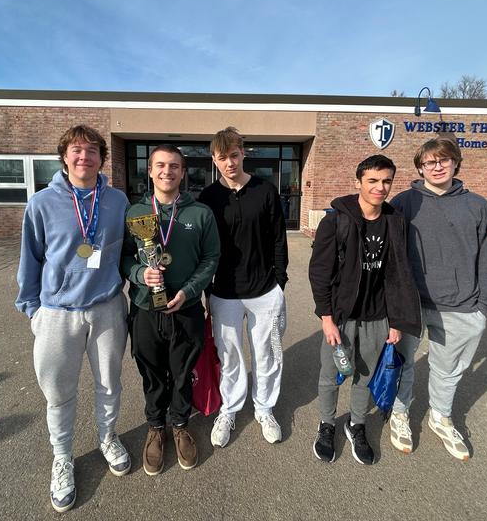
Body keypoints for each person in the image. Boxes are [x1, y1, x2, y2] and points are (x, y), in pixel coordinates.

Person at [16, 125, 131, 513]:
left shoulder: (117, 201)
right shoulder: (42, 203)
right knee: (59, 393)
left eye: (93, 151)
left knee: (109, 384)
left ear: (102, 157)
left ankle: (107, 437)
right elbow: (30, 258)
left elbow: (130, 251)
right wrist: (32, 310)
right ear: (64, 156)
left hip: (107, 308)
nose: (85, 157)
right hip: (57, 313)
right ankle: (62, 457)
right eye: (77, 150)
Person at [389, 138, 487, 461]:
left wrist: (484, 306)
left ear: (456, 163)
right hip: (412, 303)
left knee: (448, 369)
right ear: (420, 167)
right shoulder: (404, 203)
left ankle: (440, 416)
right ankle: (400, 413)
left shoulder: (477, 206)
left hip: (461, 304)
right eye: (429, 162)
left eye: (444, 160)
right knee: (402, 364)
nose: (437, 167)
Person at [308, 154, 420, 465]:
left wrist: (396, 321)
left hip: (377, 316)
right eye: (372, 180)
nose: (380, 187)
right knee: (331, 374)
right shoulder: (336, 221)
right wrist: (327, 319)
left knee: (364, 376)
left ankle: (356, 424)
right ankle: (327, 424)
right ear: (358, 182)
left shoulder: (395, 221)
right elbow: (319, 272)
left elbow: (398, 274)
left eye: (386, 181)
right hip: (341, 318)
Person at [121, 144, 220, 475]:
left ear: (183, 172)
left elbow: (210, 259)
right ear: (150, 171)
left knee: (182, 372)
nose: (167, 171)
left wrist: (190, 290)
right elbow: (122, 258)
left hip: (186, 308)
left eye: (174, 166)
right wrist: (139, 274)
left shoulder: (200, 214)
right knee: (151, 372)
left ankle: (179, 424)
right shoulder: (135, 213)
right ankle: (155, 426)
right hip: (146, 308)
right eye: (160, 165)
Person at [198, 127, 289, 448]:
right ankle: (231, 408)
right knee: (231, 355)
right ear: (214, 159)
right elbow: (202, 247)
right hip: (224, 292)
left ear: (243, 154)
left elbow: (279, 238)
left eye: (234, 155)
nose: (229, 163)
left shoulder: (265, 190)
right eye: (222, 158)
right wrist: (205, 290)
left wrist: (280, 283)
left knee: (267, 355)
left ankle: (264, 408)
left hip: (265, 290)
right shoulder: (208, 197)